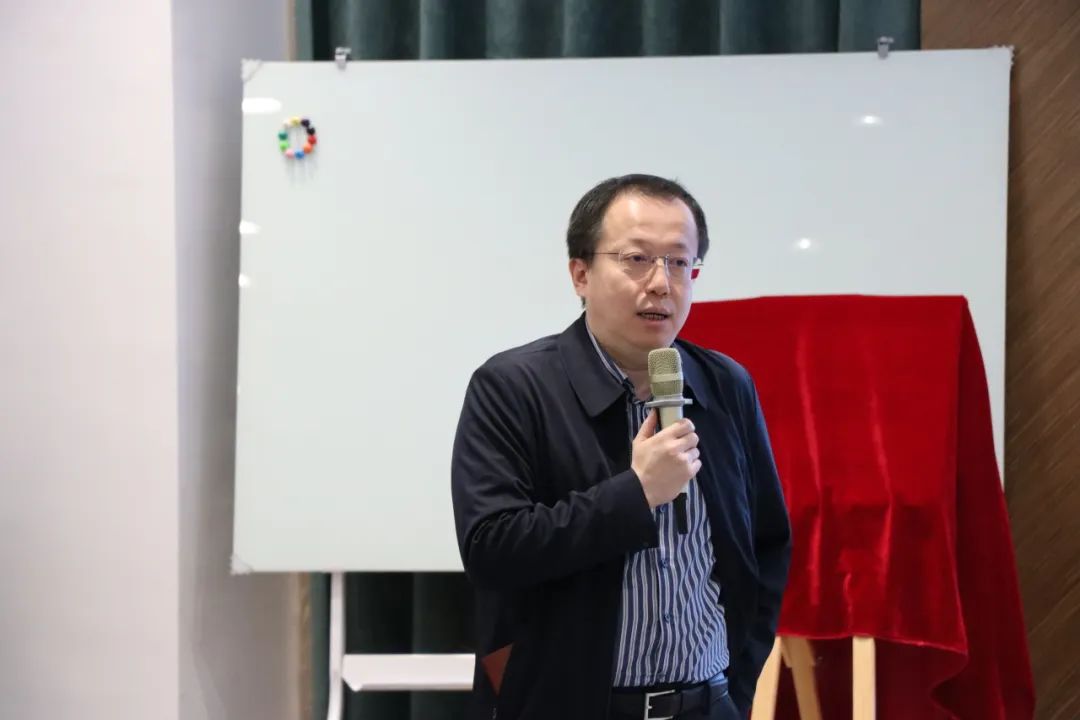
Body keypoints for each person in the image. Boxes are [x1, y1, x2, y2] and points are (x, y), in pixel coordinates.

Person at [451, 173, 791, 720]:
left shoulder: (726, 385)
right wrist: (636, 493)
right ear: (580, 274)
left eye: (679, 262)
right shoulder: (513, 387)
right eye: (637, 259)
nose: (661, 283)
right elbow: (492, 550)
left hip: (708, 703)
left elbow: (766, 547)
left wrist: (736, 688)